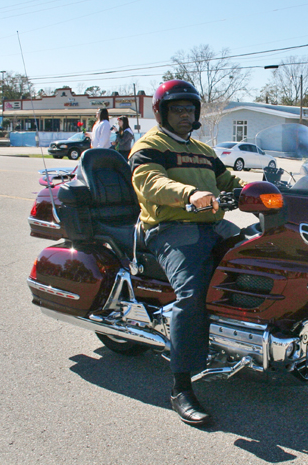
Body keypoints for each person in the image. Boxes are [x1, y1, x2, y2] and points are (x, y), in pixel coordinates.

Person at [129, 79, 246, 426]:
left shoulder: (204, 150)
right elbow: (150, 182)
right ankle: (181, 386)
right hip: (171, 227)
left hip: (211, 226)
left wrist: (261, 189)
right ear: (162, 112)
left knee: (258, 261)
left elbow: (229, 183)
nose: (185, 115)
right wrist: (189, 194)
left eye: (190, 109)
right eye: (177, 109)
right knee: (192, 293)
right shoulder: (150, 144)